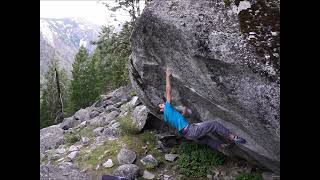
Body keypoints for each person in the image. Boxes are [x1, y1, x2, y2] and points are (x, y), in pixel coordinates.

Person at [158, 67, 246, 151]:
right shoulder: (167, 109)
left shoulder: (167, 117)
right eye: (161, 105)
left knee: (206, 139)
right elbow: (168, 90)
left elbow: (179, 120)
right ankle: (234, 137)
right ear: (162, 110)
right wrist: (167, 76)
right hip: (191, 130)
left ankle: (222, 146)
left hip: (188, 134)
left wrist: (183, 114)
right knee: (214, 124)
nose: (164, 104)